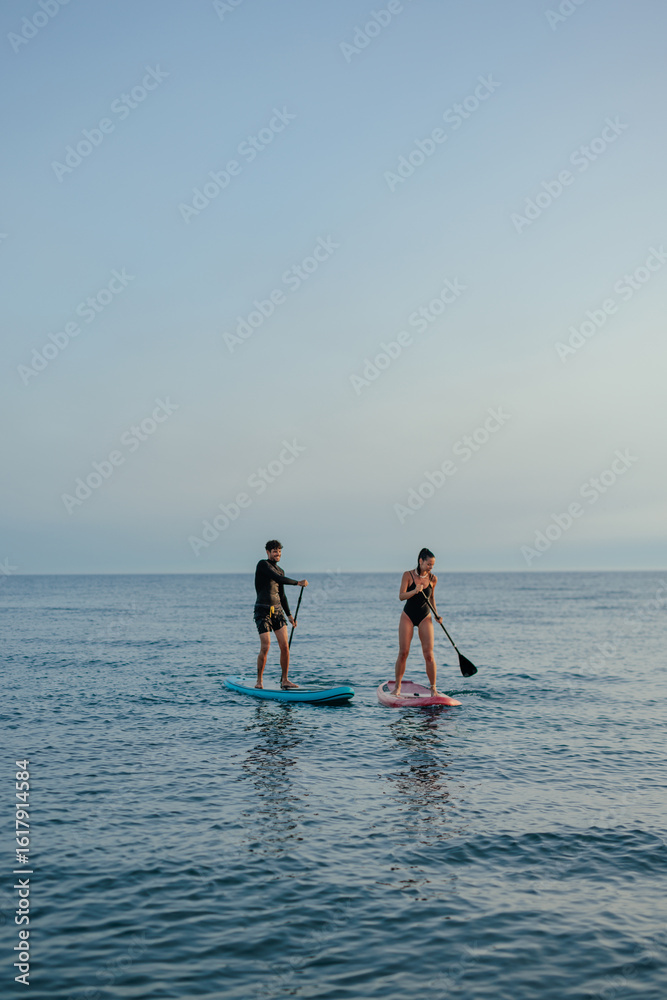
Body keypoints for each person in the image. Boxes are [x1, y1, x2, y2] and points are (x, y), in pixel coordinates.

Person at [254, 540, 308, 690]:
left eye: (279, 552)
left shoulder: (281, 571)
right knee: (266, 646)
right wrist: (297, 583)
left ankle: (285, 679)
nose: (277, 554)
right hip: (263, 611)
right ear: (268, 552)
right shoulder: (262, 565)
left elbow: (282, 595)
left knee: (285, 646)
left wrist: (290, 616)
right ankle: (259, 681)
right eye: (274, 551)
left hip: (277, 612)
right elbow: (277, 579)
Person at [393, 547, 443, 696]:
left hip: (425, 616)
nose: (430, 567)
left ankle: (433, 688)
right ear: (420, 561)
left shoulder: (433, 578)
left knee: (429, 654)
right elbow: (401, 596)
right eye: (428, 564)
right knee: (403, 652)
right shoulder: (407, 575)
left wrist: (436, 614)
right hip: (408, 616)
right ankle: (397, 687)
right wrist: (414, 591)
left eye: (432, 565)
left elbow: (432, 597)